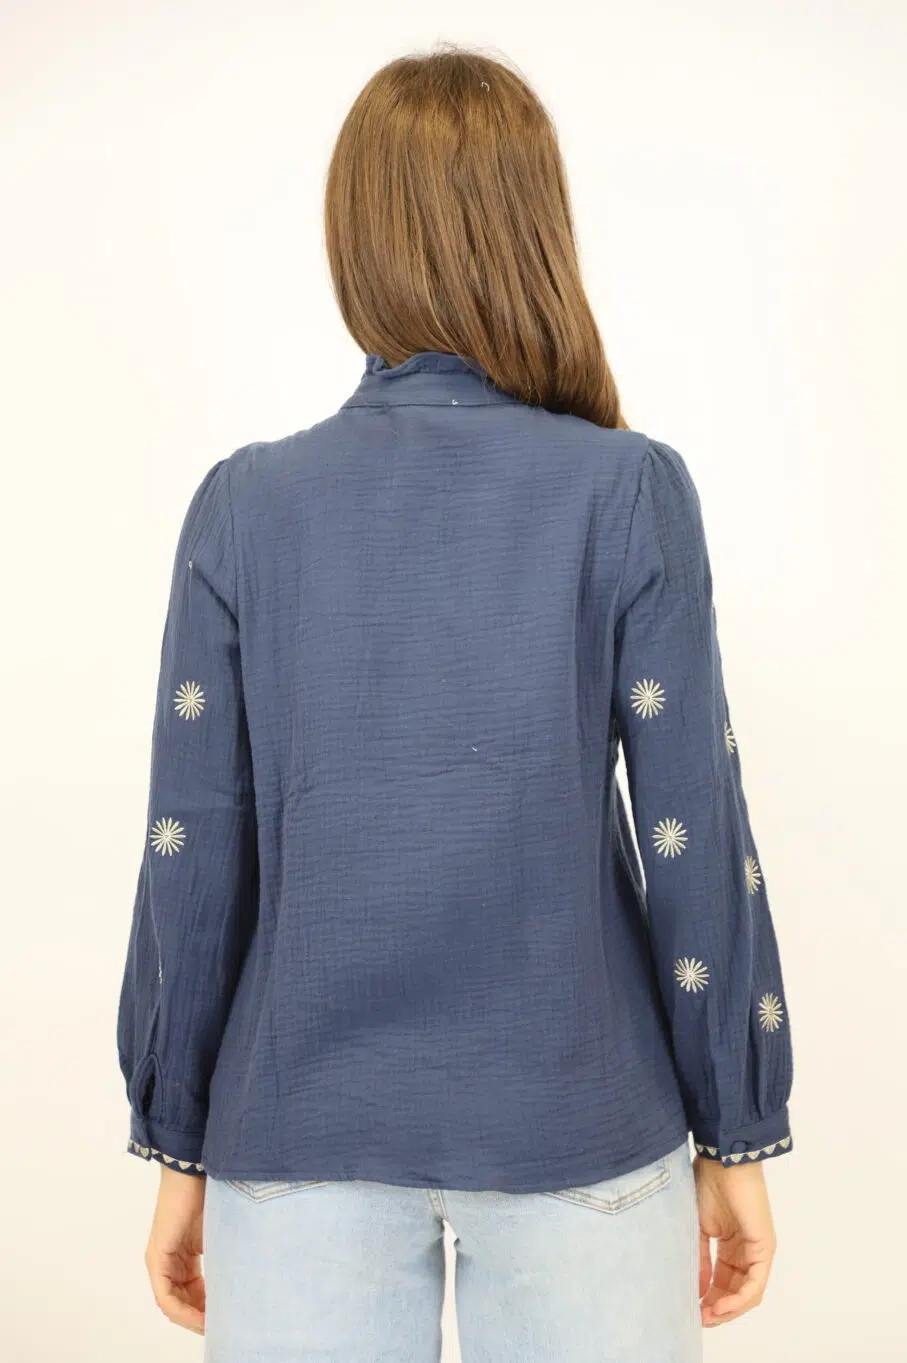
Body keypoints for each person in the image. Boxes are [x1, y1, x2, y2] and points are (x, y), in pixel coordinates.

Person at [116, 43, 794, 1363]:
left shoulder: (245, 506)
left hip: (293, 1140)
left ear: (352, 238)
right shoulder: (626, 490)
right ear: (536, 231)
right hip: (581, 1129)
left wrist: (178, 1143)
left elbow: (190, 856)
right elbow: (693, 836)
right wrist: (736, 1127)